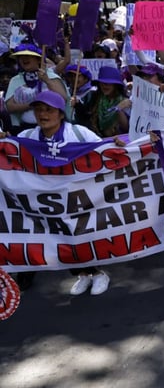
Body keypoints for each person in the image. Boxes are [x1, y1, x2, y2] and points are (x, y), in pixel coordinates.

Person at [1, 91, 118, 295]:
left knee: (80, 236)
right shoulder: (26, 137)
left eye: (49, 110)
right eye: (38, 110)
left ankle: (98, 273)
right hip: (46, 201)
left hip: (76, 197)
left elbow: (103, 150)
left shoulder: (79, 134)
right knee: (59, 238)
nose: (43, 114)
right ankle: (82, 274)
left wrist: (121, 145)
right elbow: (11, 158)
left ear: (61, 114)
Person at [5, 44, 69, 135]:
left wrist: (47, 80)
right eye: (20, 57)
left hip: (53, 129)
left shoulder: (51, 76)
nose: (24, 59)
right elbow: (9, 106)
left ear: (38, 59)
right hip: (25, 129)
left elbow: (63, 98)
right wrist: (33, 105)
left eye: (28, 56)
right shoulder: (15, 80)